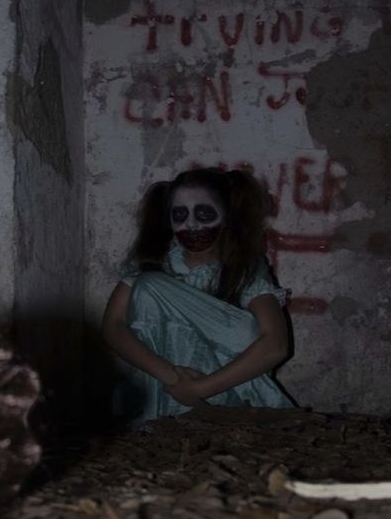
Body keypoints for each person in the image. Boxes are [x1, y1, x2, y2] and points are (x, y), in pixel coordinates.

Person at [101, 167, 295, 422]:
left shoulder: (243, 268)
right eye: (180, 215)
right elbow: (112, 327)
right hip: (165, 391)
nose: (191, 224)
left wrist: (200, 390)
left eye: (203, 213)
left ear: (226, 215)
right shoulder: (155, 263)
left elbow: (276, 346)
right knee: (148, 287)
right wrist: (173, 377)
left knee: (251, 328)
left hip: (226, 395)